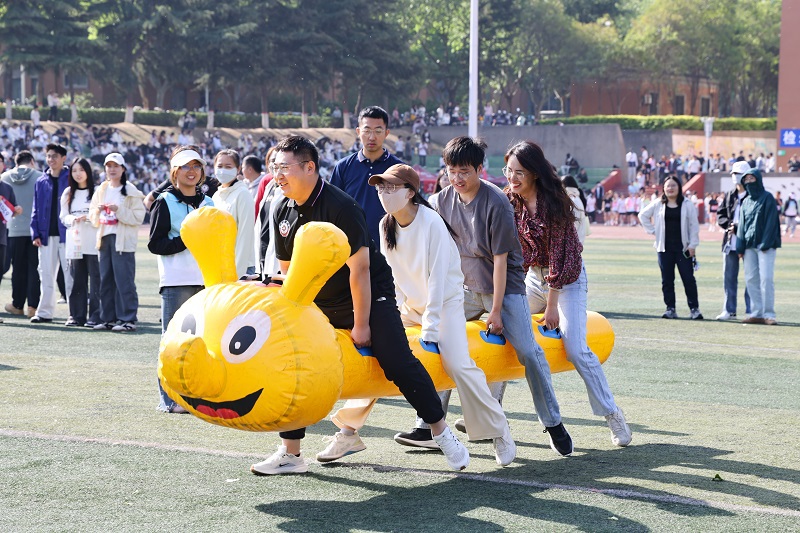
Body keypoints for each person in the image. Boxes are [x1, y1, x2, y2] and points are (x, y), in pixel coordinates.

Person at [250, 135, 468, 475]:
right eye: (274, 167)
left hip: (368, 294)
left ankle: (440, 432)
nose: (277, 175)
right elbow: (290, 272)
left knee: (397, 361)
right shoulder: (282, 208)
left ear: (309, 167)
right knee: (294, 362)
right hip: (319, 300)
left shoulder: (341, 206)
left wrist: (362, 324)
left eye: (284, 167)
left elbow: (361, 269)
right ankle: (291, 454)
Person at [325, 164, 516, 466]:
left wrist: (431, 327)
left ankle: (498, 430)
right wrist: (394, 313)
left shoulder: (431, 222)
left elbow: (438, 280)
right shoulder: (385, 225)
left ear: (411, 193)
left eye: (391, 188)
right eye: (380, 188)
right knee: (377, 354)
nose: (384, 194)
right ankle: (348, 432)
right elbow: (391, 277)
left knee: (458, 365)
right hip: (409, 308)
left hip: (446, 305)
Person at [396, 136, 573, 457]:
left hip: (503, 289)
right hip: (462, 288)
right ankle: (428, 425)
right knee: (436, 341)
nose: (457, 178)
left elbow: (502, 262)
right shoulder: (439, 201)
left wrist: (496, 311)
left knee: (529, 351)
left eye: (464, 171)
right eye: (451, 171)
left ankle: (553, 422)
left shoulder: (497, 202)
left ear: (480, 169)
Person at [500, 142, 632, 446]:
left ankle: (612, 414)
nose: (512, 178)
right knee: (507, 331)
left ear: (534, 173)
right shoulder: (509, 200)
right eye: (509, 171)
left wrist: (551, 306)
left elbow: (563, 258)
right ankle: (491, 412)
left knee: (575, 348)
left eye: (519, 172)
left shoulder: (555, 202)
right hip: (533, 278)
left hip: (567, 280)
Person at [148, 146, 214, 412]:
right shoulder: (164, 201)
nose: (192, 171)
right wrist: (186, 240)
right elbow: (155, 244)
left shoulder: (208, 203)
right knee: (173, 341)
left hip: (205, 280)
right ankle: (169, 399)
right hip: (176, 281)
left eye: (196, 166)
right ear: (175, 172)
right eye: (186, 166)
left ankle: (195, 396)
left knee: (202, 340)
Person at [330, 106, 403, 247]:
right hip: (351, 246)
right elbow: (333, 208)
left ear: (387, 133)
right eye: (367, 130)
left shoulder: (398, 169)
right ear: (358, 132)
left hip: (389, 245)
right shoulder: (343, 167)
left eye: (378, 131)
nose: (372, 137)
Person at [88, 153, 145, 332]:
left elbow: (138, 217)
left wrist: (119, 210)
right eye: (109, 166)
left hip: (123, 242)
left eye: (116, 166)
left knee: (124, 281)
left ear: (123, 169)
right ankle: (108, 318)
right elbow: (92, 214)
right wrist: (98, 212)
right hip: (104, 239)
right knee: (105, 280)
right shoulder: (102, 189)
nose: (112, 169)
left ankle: (128, 319)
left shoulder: (131, 191)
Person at [638, 175, 702, 320]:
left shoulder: (687, 204)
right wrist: (653, 231)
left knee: (688, 279)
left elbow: (694, 226)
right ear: (664, 188)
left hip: (683, 249)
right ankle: (670, 309)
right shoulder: (658, 203)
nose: (670, 188)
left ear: (679, 187)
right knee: (667, 280)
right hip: (664, 249)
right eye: (668, 186)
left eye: (673, 185)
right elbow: (642, 215)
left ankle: (694, 309)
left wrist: (693, 245)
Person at [29, 143, 72, 323]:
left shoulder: (71, 178)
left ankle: (75, 314)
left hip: (68, 234)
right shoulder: (41, 181)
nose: (51, 159)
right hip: (45, 236)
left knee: (71, 275)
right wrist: (35, 233)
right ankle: (44, 313)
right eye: (48, 156)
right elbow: (35, 209)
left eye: (54, 156)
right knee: (46, 275)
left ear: (63, 158)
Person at [735, 166, 781, 325]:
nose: (749, 181)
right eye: (746, 179)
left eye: (751, 178)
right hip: (749, 246)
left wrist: (765, 243)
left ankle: (769, 314)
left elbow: (771, 222)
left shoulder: (767, 198)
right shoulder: (746, 201)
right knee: (751, 279)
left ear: (758, 179)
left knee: (766, 278)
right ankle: (756, 312)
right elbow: (742, 226)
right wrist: (740, 246)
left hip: (765, 246)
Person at [59, 158, 100, 327]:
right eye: (74, 170)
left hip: (94, 243)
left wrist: (88, 218)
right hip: (75, 243)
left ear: (88, 172)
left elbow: (100, 215)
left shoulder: (97, 191)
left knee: (96, 280)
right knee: (76, 280)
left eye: (81, 170)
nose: (78, 174)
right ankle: (76, 316)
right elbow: (63, 216)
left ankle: (96, 316)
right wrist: (72, 219)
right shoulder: (68, 193)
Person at [2, 151, 41, 318]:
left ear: (15, 162)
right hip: (35, 231)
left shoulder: (4, 178)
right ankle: (33, 307)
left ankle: (17, 305)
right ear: (32, 161)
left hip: (13, 229)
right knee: (34, 269)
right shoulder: (40, 177)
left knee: (17, 268)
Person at [715, 163, 751, 321]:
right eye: (734, 173)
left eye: (739, 173)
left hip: (749, 243)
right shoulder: (729, 195)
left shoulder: (753, 195)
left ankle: (751, 310)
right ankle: (729, 310)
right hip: (730, 242)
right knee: (729, 277)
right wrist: (728, 225)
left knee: (750, 278)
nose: (735, 176)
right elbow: (720, 214)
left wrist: (739, 227)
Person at [211, 149, 255, 277]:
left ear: (238, 168)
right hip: (221, 265)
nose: (223, 170)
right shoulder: (216, 196)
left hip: (240, 267)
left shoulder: (243, 194)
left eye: (228, 166)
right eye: (219, 166)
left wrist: (237, 272)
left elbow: (245, 235)